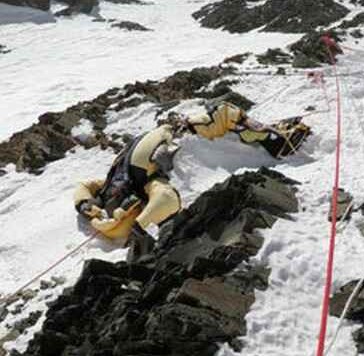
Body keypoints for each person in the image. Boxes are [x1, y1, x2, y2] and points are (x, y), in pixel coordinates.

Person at [73, 101, 310, 262]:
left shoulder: (109, 186)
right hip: (184, 133)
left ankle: (269, 135)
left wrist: (84, 205)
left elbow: (84, 186)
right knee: (225, 114)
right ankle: (278, 141)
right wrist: (141, 223)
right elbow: (167, 199)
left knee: (223, 116)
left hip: (172, 133)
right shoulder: (144, 184)